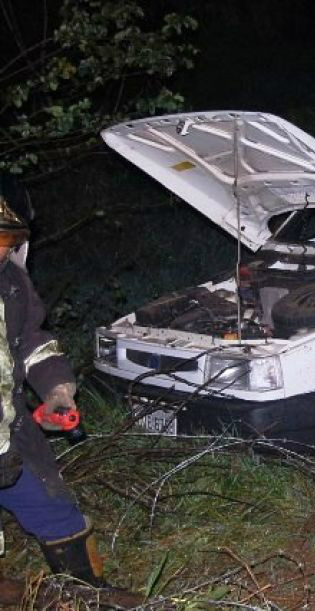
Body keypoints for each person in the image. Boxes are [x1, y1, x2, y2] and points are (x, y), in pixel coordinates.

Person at [0, 174, 105, 586]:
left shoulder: (10, 283)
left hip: (10, 440)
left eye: (6, 242)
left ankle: (88, 594)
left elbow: (29, 340)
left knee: (59, 515)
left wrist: (57, 389)